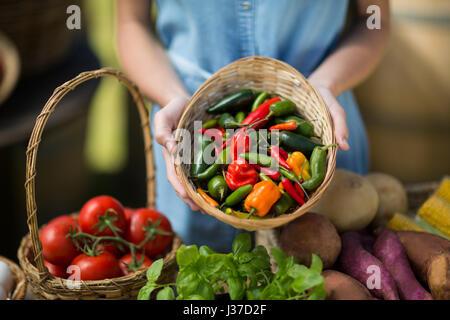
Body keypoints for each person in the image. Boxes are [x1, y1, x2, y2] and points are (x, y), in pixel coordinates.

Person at [116, 0, 390, 251]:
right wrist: (174, 98)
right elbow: (131, 23)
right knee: (199, 284)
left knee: (325, 275)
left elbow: (374, 19)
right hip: (191, 124)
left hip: (318, 113)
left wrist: (323, 85)